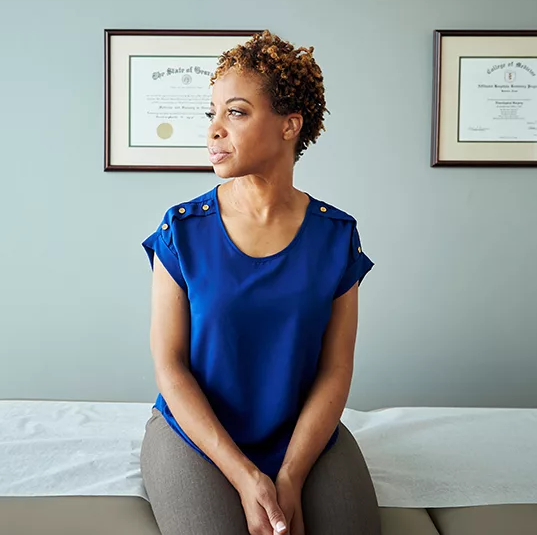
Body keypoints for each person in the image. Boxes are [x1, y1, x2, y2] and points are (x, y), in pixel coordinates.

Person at [140, 30, 380, 535]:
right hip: (195, 434)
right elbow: (170, 366)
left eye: (237, 112)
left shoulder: (337, 235)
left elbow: (336, 371)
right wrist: (246, 476)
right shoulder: (180, 230)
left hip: (302, 437)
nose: (214, 130)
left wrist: (289, 476)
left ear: (290, 125)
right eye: (212, 113)